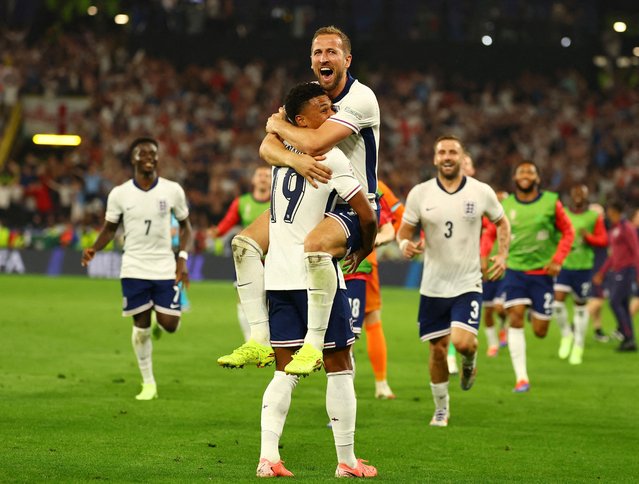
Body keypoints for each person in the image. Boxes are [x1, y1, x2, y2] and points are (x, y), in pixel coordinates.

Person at [218, 25, 380, 376]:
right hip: (312, 197)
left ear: (347, 59)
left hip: (352, 203)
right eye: (318, 52)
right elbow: (267, 147)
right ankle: (258, 337)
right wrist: (295, 157)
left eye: (332, 52)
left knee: (316, 246)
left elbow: (315, 143)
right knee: (244, 245)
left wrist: (280, 125)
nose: (325, 58)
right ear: (311, 61)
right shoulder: (307, 98)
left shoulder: (360, 98)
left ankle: (313, 343)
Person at [256, 82, 377, 478]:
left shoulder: (279, 156)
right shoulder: (333, 158)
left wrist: (278, 126)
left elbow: (267, 145)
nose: (332, 116)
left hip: (277, 276)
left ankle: (268, 458)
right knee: (340, 365)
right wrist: (364, 248)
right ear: (303, 120)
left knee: (284, 370)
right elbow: (367, 214)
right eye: (323, 110)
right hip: (317, 275)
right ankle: (347, 461)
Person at [396, 135, 510, 427]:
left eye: (453, 152)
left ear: (462, 158)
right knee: (436, 350)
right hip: (433, 286)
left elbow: (502, 222)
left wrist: (502, 255)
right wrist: (404, 245)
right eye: (442, 152)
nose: (447, 156)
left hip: (467, 283)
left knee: (462, 343)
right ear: (435, 159)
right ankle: (441, 409)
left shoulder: (480, 191)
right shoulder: (420, 194)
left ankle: (470, 362)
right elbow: (404, 231)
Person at [81, 137, 192, 400]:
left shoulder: (172, 190)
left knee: (170, 324)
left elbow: (186, 226)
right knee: (140, 328)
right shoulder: (119, 194)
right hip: (133, 266)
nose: (148, 157)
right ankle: (148, 382)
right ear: (132, 159)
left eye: (152, 153)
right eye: (142, 153)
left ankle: (158, 316)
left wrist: (182, 258)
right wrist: (94, 248)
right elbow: (110, 228)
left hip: (164, 266)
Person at [501, 161, 574, 393]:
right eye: (521, 171)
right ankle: (521, 378)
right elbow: (493, 230)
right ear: (515, 177)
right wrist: (487, 254)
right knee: (515, 318)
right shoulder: (506, 204)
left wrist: (558, 260)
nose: (525, 175)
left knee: (540, 332)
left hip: (542, 274)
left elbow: (568, 232)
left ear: (538, 179)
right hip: (515, 270)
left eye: (530, 172)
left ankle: (536, 311)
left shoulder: (551, 202)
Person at [342, 180, 403, 400]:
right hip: (338, 264)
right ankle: (380, 384)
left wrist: (373, 241)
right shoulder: (371, 181)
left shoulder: (375, 186)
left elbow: (397, 217)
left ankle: (380, 383)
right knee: (362, 323)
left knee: (364, 323)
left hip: (361, 266)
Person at [210, 166, 271, 341]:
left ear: (273, 181)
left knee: (271, 302)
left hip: (273, 260)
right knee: (244, 301)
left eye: (267, 175)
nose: (263, 178)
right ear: (253, 180)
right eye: (259, 174)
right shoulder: (242, 202)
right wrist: (216, 232)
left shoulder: (278, 201)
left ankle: (270, 339)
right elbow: (227, 222)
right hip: (249, 260)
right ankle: (249, 340)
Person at [553, 184, 608, 364]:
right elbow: (555, 234)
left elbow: (603, 240)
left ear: (586, 196)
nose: (578, 196)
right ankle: (566, 335)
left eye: (581, 193)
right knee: (557, 303)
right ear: (570, 195)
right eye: (575, 193)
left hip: (583, 268)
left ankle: (578, 345)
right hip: (565, 265)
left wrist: (589, 237)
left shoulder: (593, 216)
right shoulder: (563, 214)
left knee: (580, 307)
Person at [592, 200, 639, 352]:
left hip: (627, 270)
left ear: (615, 212)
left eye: (610, 212)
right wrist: (602, 272)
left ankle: (626, 335)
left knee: (614, 302)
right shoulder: (614, 230)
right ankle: (629, 339)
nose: (608, 215)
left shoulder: (626, 228)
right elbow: (612, 256)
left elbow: (636, 250)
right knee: (623, 305)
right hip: (617, 271)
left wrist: (638, 273)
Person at [479, 190, 510, 357]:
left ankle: (504, 326)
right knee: (488, 310)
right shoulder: (484, 222)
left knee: (500, 307)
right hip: (487, 270)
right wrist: (482, 260)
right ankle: (493, 344)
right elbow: (484, 241)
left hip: (506, 271)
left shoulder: (509, 222)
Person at [586, 203, 611, 343]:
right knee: (599, 300)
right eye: (598, 215)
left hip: (599, 267)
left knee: (596, 299)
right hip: (596, 269)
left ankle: (598, 330)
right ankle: (576, 325)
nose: (601, 217)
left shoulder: (599, 230)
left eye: (602, 215)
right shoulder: (591, 231)